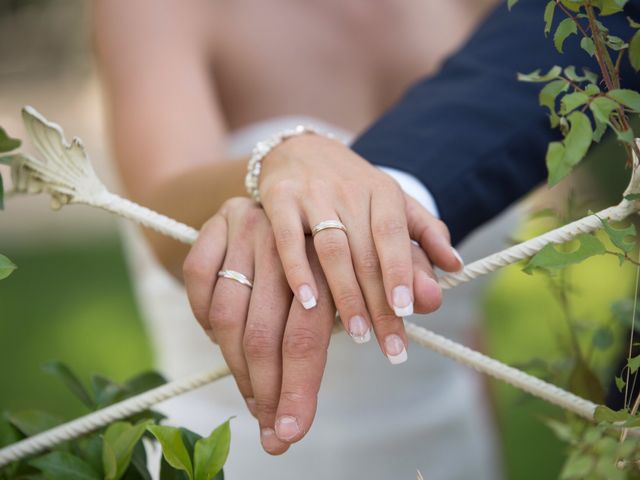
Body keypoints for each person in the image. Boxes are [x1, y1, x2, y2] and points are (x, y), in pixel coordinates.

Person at [94, 0, 640, 477]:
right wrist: (281, 160)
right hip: (239, 453)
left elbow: (456, 305)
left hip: (451, 451)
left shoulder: (487, 9)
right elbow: (160, 219)